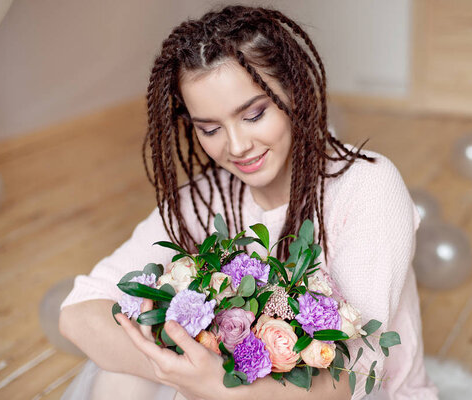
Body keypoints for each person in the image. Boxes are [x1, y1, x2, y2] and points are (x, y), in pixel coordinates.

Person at [59, 5, 438, 400]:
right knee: (126, 372)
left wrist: (222, 388)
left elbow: (355, 372)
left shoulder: (368, 185)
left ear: (294, 91)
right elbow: (79, 312)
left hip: (351, 393)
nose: (237, 147)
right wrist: (185, 371)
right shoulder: (208, 199)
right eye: (210, 128)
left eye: (254, 115)